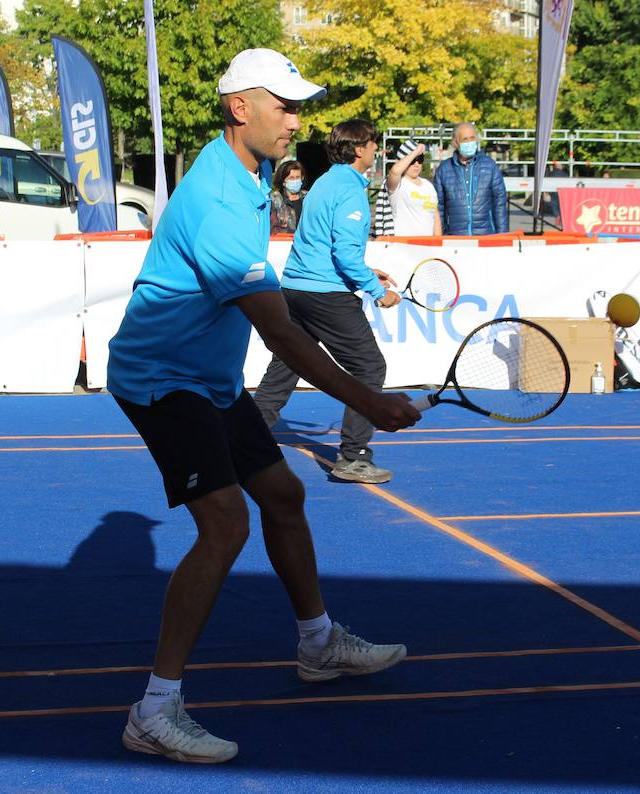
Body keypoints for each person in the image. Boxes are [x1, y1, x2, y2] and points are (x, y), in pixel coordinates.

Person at [104, 49, 418, 765]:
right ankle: (153, 710)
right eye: (284, 104)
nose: (296, 118)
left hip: (208, 375)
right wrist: (369, 399)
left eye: (300, 105)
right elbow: (279, 329)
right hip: (162, 378)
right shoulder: (216, 199)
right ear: (240, 108)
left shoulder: (249, 177)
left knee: (283, 492)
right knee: (224, 527)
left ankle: (317, 646)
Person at [252, 118, 402, 485]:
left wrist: (366, 272)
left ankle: (244, 438)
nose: (376, 150)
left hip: (296, 289)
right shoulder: (350, 191)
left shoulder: (323, 183)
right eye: (371, 144)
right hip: (324, 295)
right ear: (357, 149)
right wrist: (377, 291)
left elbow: (326, 245)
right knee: (369, 368)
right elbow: (345, 256)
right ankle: (352, 457)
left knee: (288, 365)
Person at [433, 122, 508, 235]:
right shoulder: (443, 170)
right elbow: (438, 208)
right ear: (455, 142)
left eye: (472, 138)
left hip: (486, 237)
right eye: (465, 139)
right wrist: (440, 238)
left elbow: (500, 204)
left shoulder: (490, 166)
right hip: (455, 240)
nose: (469, 142)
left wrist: (502, 237)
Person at [387, 140, 440, 236]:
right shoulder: (398, 184)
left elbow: (435, 217)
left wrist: (439, 243)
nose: (416, 164)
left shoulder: (428, 185)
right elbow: (394, 171)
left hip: (427, 247)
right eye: (412, 160)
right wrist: (417, 151)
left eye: (420, 159)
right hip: (402, 246)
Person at [269, 159, 307, 234]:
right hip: (283, 242)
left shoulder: (308, 198)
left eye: (298, 177)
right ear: (283, 181)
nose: (295, 181)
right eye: (291, 178)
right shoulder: (274, 200)